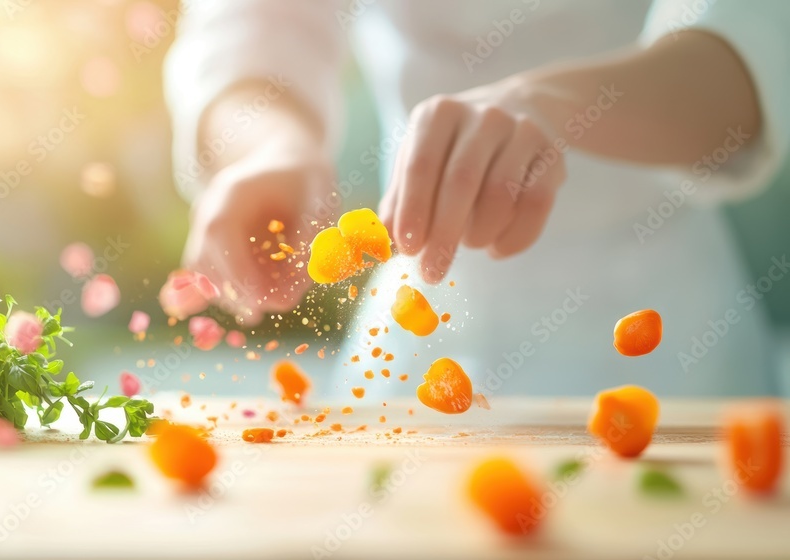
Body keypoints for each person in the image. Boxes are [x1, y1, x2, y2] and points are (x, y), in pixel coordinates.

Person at [163, 0, 790, 397]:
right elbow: (252, 25)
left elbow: (752, 39)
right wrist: (271, 148)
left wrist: (553, 105)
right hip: (417, 329)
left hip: (668, 344)